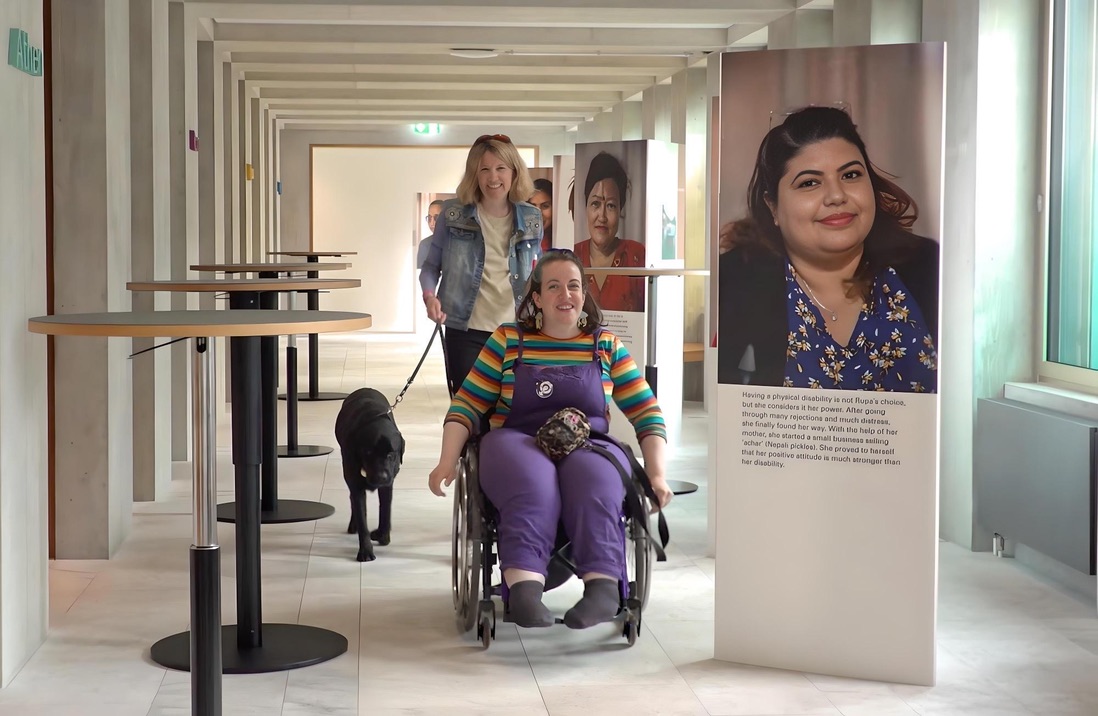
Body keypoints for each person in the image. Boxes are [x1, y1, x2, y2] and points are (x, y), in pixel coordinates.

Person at [427, 250, 673, 629]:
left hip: (587, 442)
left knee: (597, 480)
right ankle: (524, 589)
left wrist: (656, 475)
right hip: (516, 438)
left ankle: (603, 588)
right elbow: (466, 406)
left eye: (573, 285)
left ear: (584, 293)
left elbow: (646, 413)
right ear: (537, 298)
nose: (566, 294)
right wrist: (447, 460)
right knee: (533, 482)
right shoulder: (508, 340)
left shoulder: (604, 345)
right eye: (553, 286)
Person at [717, 106, 939, 392]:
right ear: (773, 206)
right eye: (810, 183)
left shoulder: (927, 265)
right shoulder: (734, 283)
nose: (836, 196)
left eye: (850, 176)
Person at [420, 134, 543, 395]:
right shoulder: (453, 214)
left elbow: (538, 274)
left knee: (512, 412)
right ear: (474, 174)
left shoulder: (532, 217)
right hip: (465, 331)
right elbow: (431, 267)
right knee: (470, 414)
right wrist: (430, 297)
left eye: (500, 168)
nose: (493, 177)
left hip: (517, 330)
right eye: (484, 169)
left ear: (514, 172)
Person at [573, 152, 646, 312]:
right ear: (586, 207)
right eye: (595, 204)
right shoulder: (572, 255)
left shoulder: (638, 255)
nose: (602, 216)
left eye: (611, 205)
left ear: (621, 209)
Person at [415, 199, 445, 269]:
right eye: (429, 218)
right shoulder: (424, 244)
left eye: (436, 218)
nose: (432, 223)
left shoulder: (456, 243)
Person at [529, 178, 554, 252]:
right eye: (532, 207)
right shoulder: (515, 241)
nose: (538, 214)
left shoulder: (561, 241)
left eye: (545, 206)